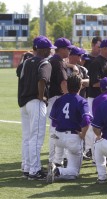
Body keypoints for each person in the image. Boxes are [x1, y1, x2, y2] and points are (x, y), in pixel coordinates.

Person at [18, 36, 56, 180]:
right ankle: (34, 170)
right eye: (48, 49)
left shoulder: (26, 62)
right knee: (36, 138)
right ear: (42, 49)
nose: (49, 51)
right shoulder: (44, 63)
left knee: (27, 137)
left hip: (24, 102)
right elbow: (42, 80)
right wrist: (41, 96)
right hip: (36, 101)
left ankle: (27, 168)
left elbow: (20, 80)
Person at [47, 75, 92, 183]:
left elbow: (53, 121)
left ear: (67, 85)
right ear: (81, 86)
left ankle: (57, 165)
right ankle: (57, 170)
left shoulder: (59, 100)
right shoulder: (81, 101)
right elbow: (87, 120)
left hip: (58, 137)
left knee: (70, 175)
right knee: (74, 172)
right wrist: (82, 134)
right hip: (73, 138)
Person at [85, 38, 107, 160]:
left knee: (103, 127)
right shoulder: (96, 62)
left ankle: (100, 154)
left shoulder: (105, 62)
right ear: (104, 49)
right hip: (95, 99)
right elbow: (93, 83)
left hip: (104, 99)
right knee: (95, 127)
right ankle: (94, 155)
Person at [48, 37, 74, 164]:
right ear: (62, 49)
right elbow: (63, 82)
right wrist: (68, 97)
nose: (69, 51)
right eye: (68, 48)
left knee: (56, 131)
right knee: (55, 131)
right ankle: (53, 160)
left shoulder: (55, 60)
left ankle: (57, 158)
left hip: (53, 98)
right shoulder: (57, 62)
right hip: (57, 98)